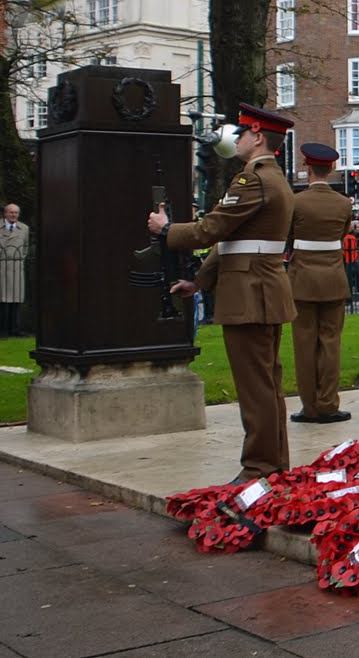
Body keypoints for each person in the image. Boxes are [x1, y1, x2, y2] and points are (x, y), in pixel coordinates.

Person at [148, 103, 296, 483]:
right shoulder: (268, 178)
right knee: (265, 384)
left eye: (244, 132)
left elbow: (211, 229)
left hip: (250, 294)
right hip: (259, 290)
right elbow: (233, 239)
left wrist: (167, 229)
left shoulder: (253, 180)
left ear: (258, 136)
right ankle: (273, 464)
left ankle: (260, 466)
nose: (238, 138)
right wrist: (201, 281)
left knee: (256, 388)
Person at [288, 143, 354, 425]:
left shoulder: (295, 202)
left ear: (306, 165)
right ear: (331, 168)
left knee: (304, 344)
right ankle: (328, 403)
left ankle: (310, 407)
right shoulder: (342, 203)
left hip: (302, 277)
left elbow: (287, 236)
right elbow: (343, 232)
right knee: (330, 344)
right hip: (333, 278)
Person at [0, 203, 30, 336]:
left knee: (15, 300)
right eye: (11, 212)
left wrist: (18, 258)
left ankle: (14, 329)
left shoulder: (24, 228)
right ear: (5, 213)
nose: (13, 215)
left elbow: (25, 247)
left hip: (15, 268)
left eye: (16, 213)